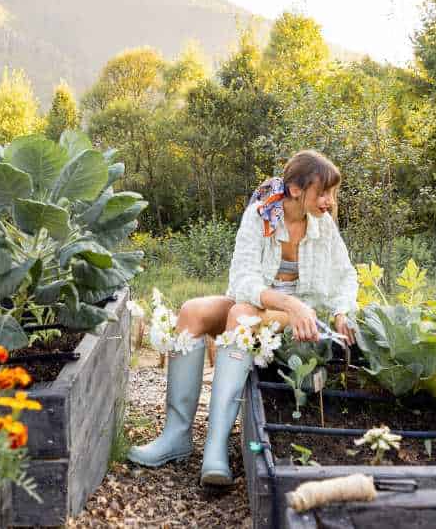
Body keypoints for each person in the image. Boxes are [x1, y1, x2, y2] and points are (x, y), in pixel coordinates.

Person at [127, 150, 359, 486]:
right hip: (267, 305)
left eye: (332, 194)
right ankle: (176, 437)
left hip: (296, 316)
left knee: (240, 314)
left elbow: (346, 275)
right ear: (296, 189)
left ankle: (216, 447)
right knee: (192, 310)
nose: (329, 202)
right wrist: (287, 304)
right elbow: (242, 281)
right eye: (322, 193)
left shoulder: (324, 227)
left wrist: (341, 310)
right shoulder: (260, 217)